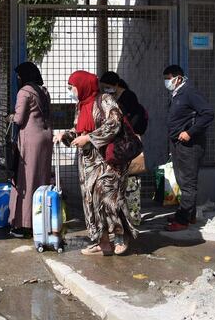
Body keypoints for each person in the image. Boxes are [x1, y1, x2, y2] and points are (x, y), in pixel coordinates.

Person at [54, 71, 137, 256]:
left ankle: (121, 238)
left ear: (83, 85)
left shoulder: (105, 100)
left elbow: (114, 124)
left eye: (72, 87)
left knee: (110, 199)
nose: (71, 91)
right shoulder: (81, 106)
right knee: (92, 201)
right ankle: (102, 242)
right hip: (89, 163)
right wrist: (65, 135)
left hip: (110, 160)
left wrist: (89, 138)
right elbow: (79, 130)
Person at [163, 65, 214, 231]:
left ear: (178, 78)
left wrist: (190, 132)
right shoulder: (177, 94)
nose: (166, 82)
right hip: (178, 145)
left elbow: (208, 113)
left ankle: (183, 220)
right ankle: (188, 214)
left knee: (188, 183)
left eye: (168, 78)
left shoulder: (190, 92)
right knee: (181, 179)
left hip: (190, 145)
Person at [8, 63, 53, 238]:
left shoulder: (24, 91)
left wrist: (9, 117)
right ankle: (41, 221)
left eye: (19, 76)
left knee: (25, 180)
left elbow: (19, 119)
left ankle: (23, 224)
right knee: (41, 179)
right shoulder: (43, 90)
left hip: (30, 139)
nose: (17, 79)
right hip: (45, 137)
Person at [99, 71, 147, 227]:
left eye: (107, 86)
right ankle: (123, 216)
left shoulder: (128, 97)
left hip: (127, 144)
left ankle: (133, 217)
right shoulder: (114, 97)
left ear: (116, 85)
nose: (105, 89)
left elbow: (132, 120)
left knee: (131, 181)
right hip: (120, 144)